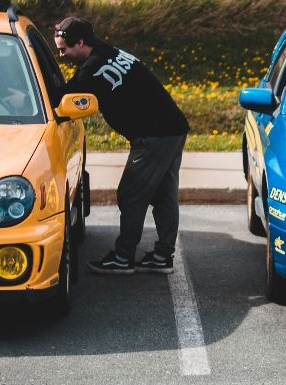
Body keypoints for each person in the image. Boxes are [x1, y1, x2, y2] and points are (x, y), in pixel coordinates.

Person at [55, 16, 189, 275]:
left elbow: (63, 98)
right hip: (173, 127)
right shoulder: (109, 51)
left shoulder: (92, 70)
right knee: (163, 195)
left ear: (80, 43)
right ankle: (162, 256)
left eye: (64, 49)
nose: (61, 55)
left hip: (154, 135)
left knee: (131, 194)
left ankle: (123, 257)